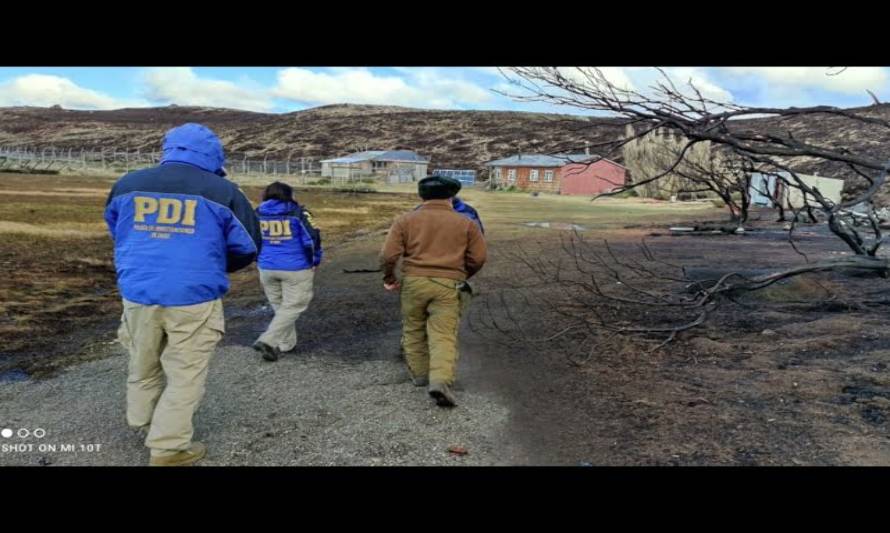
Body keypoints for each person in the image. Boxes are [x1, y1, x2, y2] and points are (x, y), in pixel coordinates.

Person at [104, 123, 261, 466]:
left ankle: (143, 419)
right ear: (214, 155)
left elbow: (117, 229)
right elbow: (248, 245)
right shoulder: (224, 191)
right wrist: (215, 264)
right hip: (194, 295)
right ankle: (168, 448)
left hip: (138, 291)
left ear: (169, 148)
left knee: (143, 360)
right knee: (184, 372)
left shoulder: (127, 184)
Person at [380, 175, 487, 407]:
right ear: (452, 196)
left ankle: (419, 375)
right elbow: (479, 257)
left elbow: (388, 255)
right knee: (443, 334)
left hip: (413, 283)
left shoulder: (404, 220)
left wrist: (389, 277)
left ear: (422, 196)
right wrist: (462, 275)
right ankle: (439, 380)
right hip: (449, 285)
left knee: (413, 329)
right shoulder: (466, 222)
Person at [253, 181, 322, 362]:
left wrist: (257, 259)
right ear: (289, 194)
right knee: (293, 306)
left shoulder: (257, 213)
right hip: (295, 267)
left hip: (266, 267)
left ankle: (286, 344)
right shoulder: (298, 213)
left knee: (280, 306)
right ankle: (268, 340)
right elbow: (312, 238)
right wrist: (315, 260)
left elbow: (250, 238)